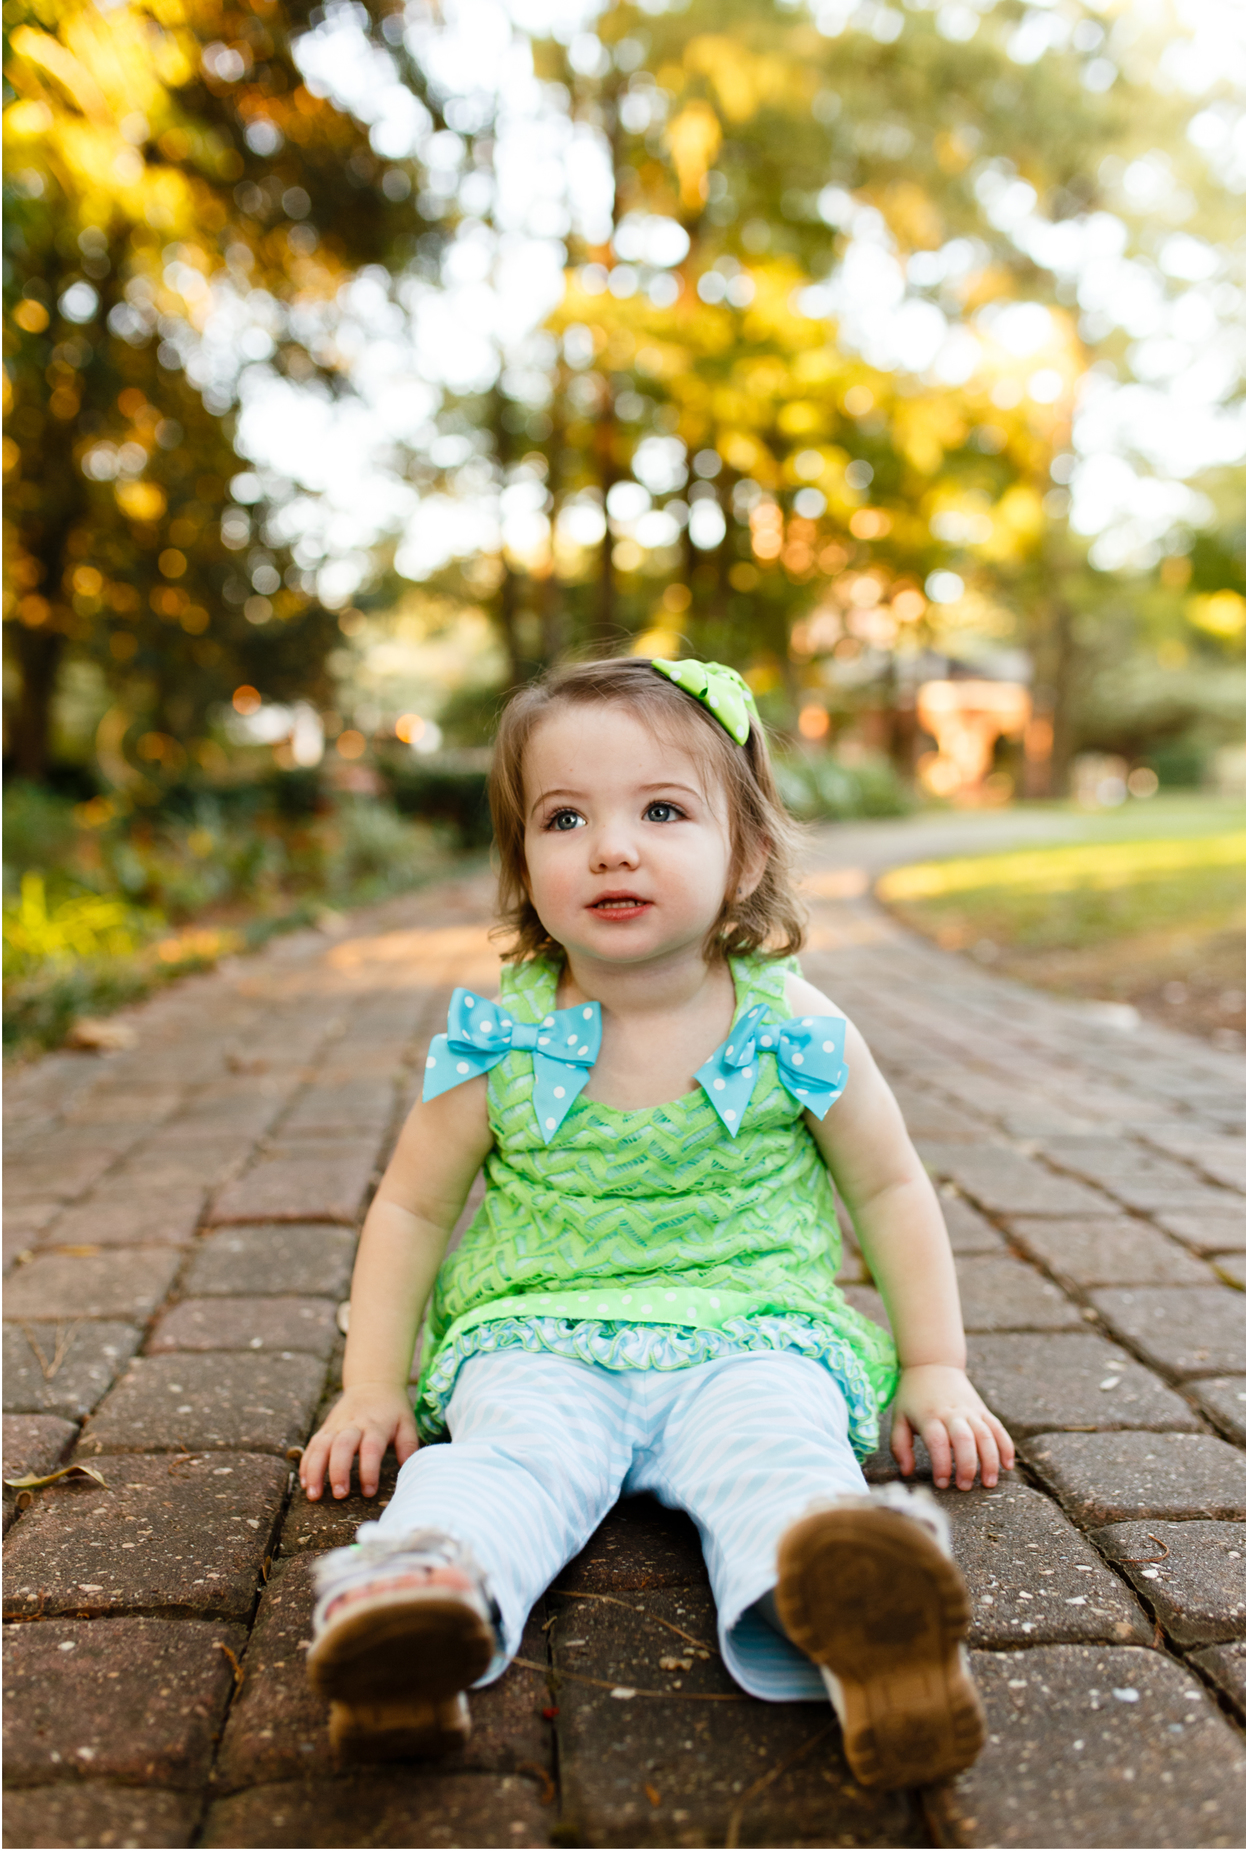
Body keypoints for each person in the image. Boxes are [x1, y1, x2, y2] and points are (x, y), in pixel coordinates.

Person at [296, 655, 1011, 1789]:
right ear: (522, 861)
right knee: (501, 1464)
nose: (610, 848)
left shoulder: (795, 1025)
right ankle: (418, 1620)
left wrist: (934, 1366)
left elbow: (888, 1187)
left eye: (662, 811)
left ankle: (870, 1635)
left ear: (748, 855)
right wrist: (373, 1383)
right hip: (539, 1335)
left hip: (754, 1334)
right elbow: (412, 1205)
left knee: (784, 1454)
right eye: (563, 817)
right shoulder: (500, 1037)